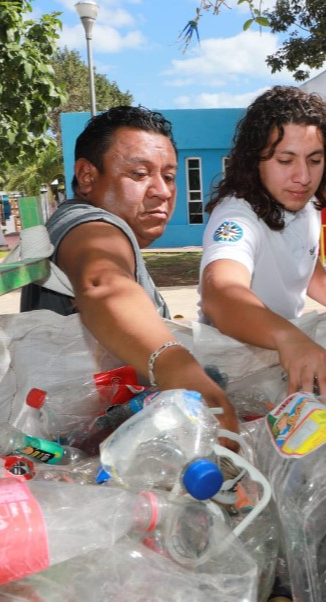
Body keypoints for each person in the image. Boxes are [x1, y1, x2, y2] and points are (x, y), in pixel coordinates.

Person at [20, 105, 237, 436]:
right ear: (88, 176)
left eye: (168, 176)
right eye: (139, 174)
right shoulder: (91, 225)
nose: (163, 191)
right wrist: (176, 367)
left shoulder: (88, 223)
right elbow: (103, 282)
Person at [198, 86, 326, 398]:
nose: (303, 176)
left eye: (314, 160)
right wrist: (289, 337)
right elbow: (220, 294)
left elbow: (306, 261)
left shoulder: (307, 203)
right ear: (254, 160)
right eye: (285, 160)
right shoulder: (236, 217)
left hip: (290, 356)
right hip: (233, 375)